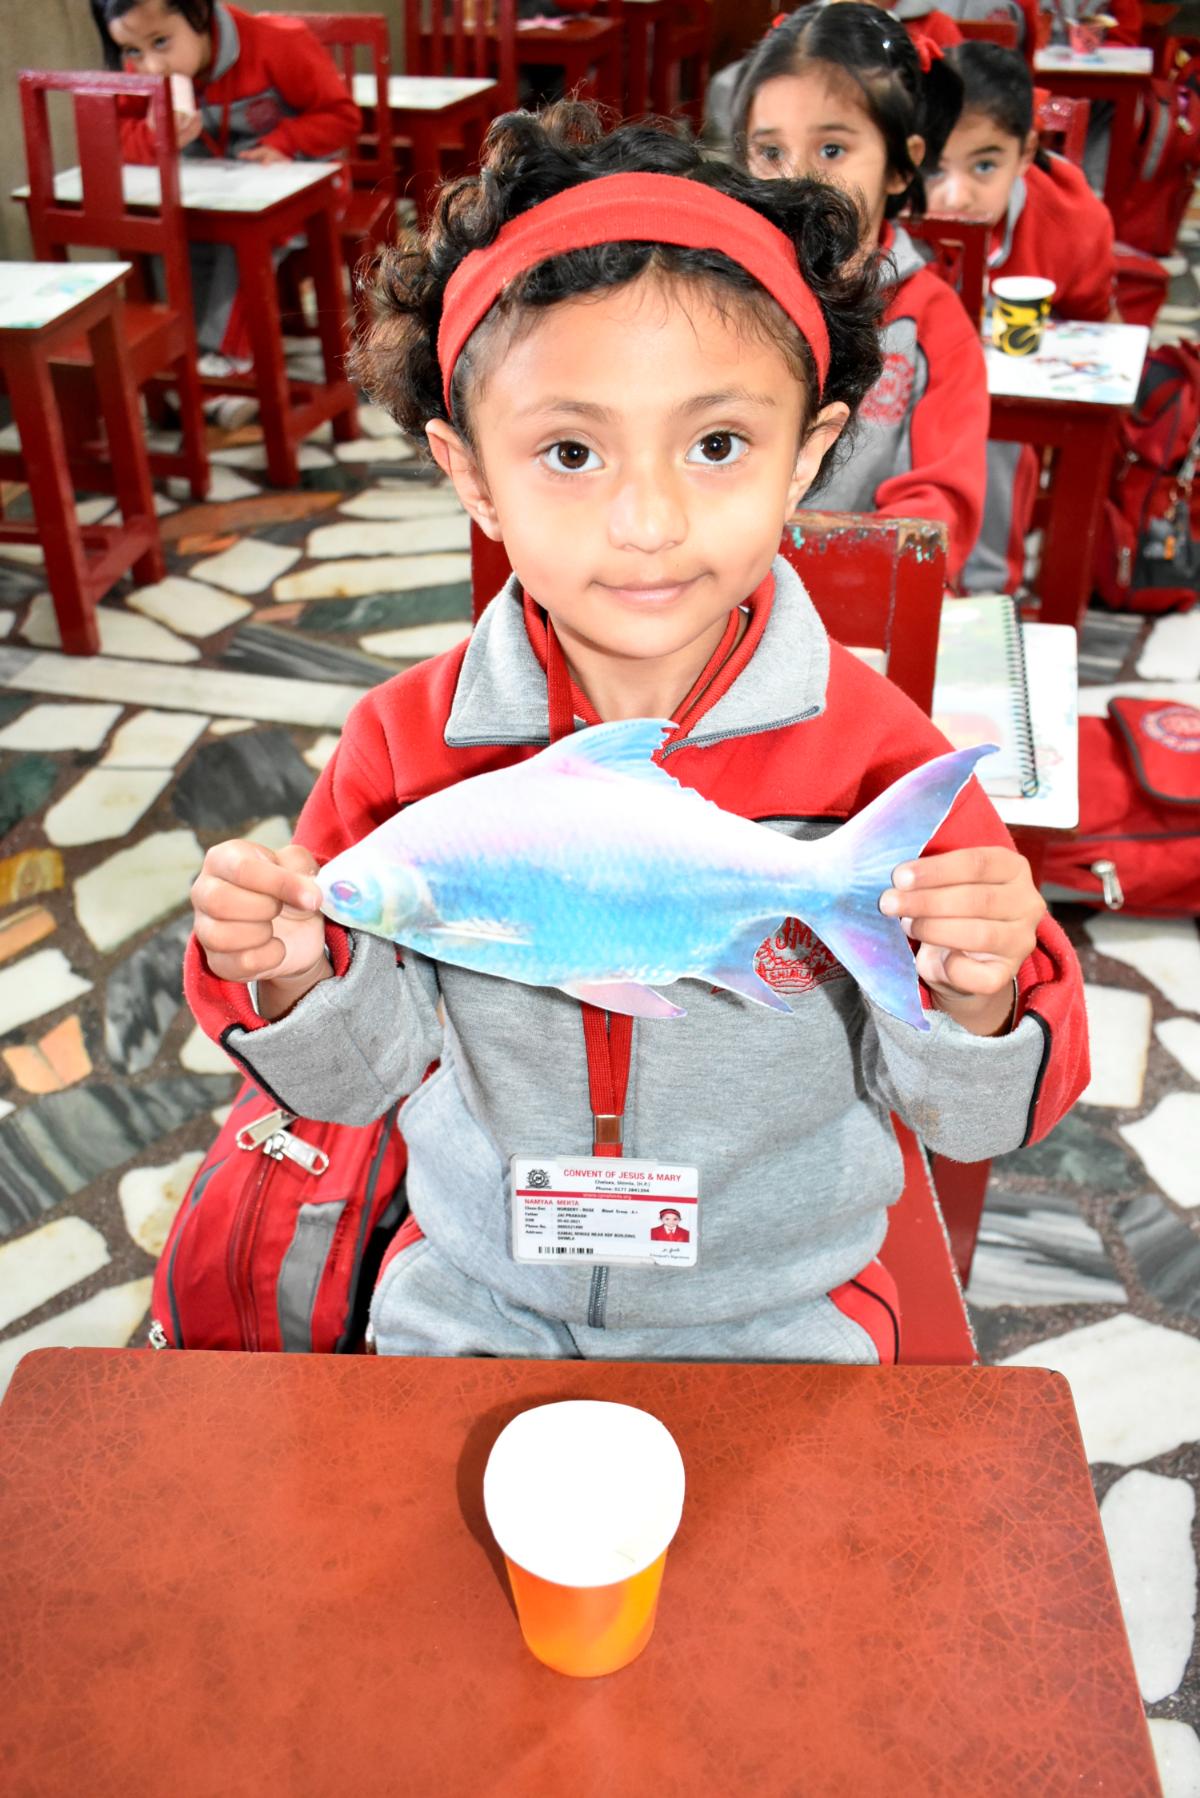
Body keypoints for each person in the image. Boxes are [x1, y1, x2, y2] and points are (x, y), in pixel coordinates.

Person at [186, 103, 1089, 1367]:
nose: (649, 519)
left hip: (783, 1306)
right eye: (570, 450)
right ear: (471, 473)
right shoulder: (404, 750)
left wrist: (979, 995)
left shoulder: (877, 758)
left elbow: (978, 1119)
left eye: (717, 443)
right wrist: (291, 977)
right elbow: (352, 1088)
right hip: (478, 1289)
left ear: (807, 455)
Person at [731, 3, 989, 586]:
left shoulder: (931, 324)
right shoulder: (718, 293)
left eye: (832, 150)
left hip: (858, 605)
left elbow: (935, 512)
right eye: (770, 152)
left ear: (901, 166)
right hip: (714, 605)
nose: (796, 180)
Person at [91, 0, 361, 425]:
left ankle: (227, 365)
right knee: (171, 240)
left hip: (304, 189)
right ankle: (195, 362)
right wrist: (153, 136)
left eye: (161, 42)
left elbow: (342, 116)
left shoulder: (277, 42)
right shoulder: (140, 72)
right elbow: (119, 136)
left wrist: (284, 142)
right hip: (210, 198)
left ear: (199, 13)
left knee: (244, 244)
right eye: (133, 51)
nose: (152, 66)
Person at [928, 39, 1117, 590]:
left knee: (993, 438)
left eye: (985, 165)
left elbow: (1095, 325)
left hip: (1001, 417)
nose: (955, 196)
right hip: (909, 383)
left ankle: (989, 592)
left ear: (1027, 152)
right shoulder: (891, 204)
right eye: (935, 166)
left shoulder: (1072, 219)